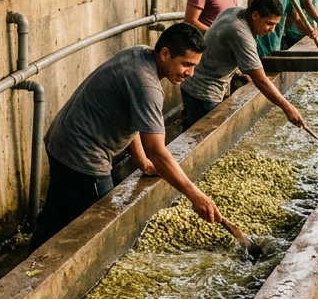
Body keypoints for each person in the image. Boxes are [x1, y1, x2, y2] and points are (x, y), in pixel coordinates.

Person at [30, 24, 220, 250]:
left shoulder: (139, 53)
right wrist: (195, 195)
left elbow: (132, 120)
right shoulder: (147, 84)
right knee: (101, 231)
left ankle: (30, 272)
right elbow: (157, 151)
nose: (190, 73)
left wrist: (142, 163)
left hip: (60, 138)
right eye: (186, 64)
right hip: (83, 153)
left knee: (55, 217)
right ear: (165, 53)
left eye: (194, 66)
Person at [180, 0, 307, 130]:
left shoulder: (235, 12)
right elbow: (261, 80)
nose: (272, 30)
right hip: (203, 91)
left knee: (190, 128)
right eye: (269, 23)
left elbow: (222, 48)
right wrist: (288, 108)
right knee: (203, 136)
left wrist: (240, 71)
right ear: (255, 15)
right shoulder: (240, 31)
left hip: (192, 82)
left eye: (275, 25)